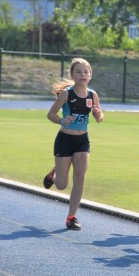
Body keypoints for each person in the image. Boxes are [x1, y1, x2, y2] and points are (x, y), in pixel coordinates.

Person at [42, 58, 104, 230]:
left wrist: (99, 115)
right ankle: (54, 174)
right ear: (72, 75)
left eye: (86, 71)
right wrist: (62, 120)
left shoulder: (93, 95)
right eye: (78, 71)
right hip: (64, 140)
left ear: (90, 75)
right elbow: (50, 114)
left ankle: (71, 217)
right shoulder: (66, 94)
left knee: (80, 177)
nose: (83, 74)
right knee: (62, 185)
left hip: (82, 141)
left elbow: (99, 117)